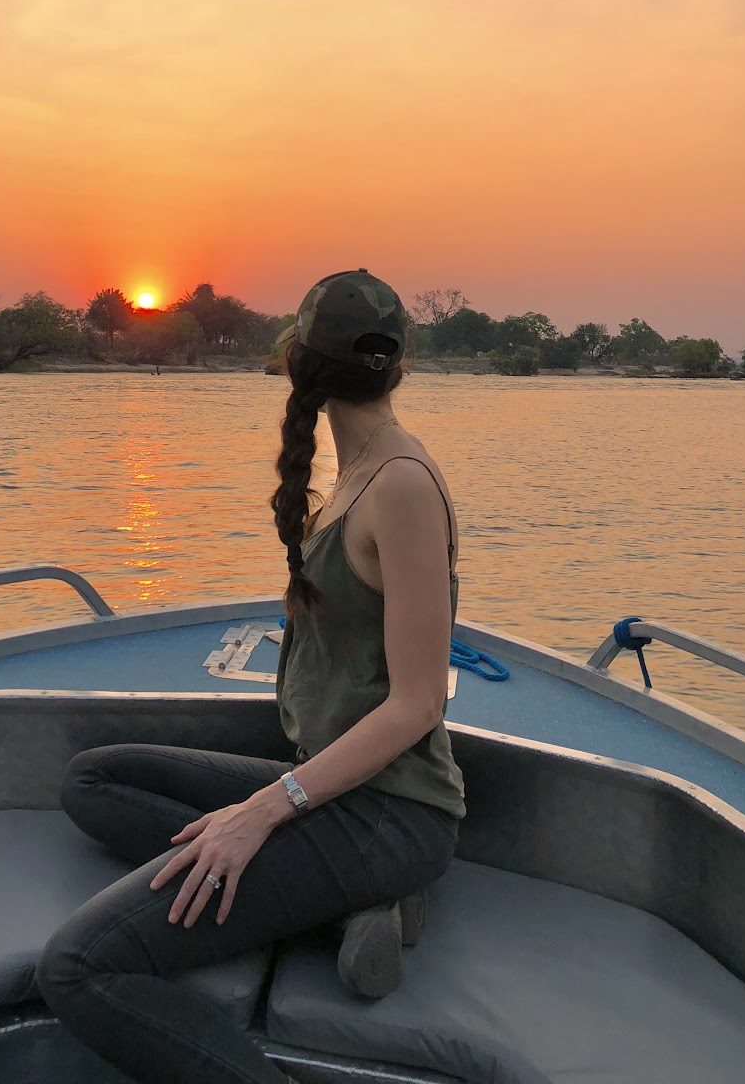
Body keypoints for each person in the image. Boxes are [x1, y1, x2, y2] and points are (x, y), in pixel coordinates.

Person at [37, 268, 465, 1082]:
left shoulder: (403, 486)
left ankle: (357, 889)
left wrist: (262, 813)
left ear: (295, 364)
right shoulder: (358, 476)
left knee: (78, 969)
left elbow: (415, 705)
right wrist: (272, 805)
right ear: (400, 364)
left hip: (391, 815)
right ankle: (342, 913)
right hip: (330, 788)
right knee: (94, 781)